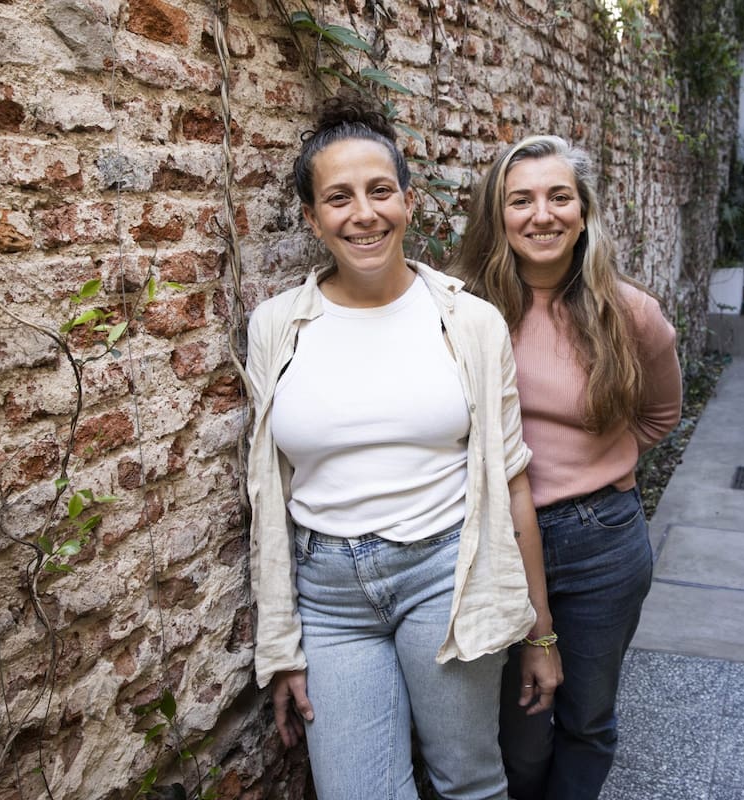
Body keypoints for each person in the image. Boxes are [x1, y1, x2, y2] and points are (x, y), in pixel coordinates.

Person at [242, 94, 561, 800]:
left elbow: (513, 487)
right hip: (327, 595)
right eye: (338, 198)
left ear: (409, 202)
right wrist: (282, 646)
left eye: (381, 191)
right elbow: (267, 496)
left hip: (445, 575)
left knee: (468, 780)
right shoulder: (276, 327)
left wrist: (540, 635)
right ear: (312, 217)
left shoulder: (469, 323)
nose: (364, 213)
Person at [452, 135, 682, 800]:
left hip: (601, 542)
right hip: (497, 538)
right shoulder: (464, 311)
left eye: (560, 197)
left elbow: (659, 416)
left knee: (585, 718)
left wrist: (593, 471)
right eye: (520, 200)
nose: (541, 214)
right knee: (519, 729)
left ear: (584, 212)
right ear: (498, 216)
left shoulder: (631, 313)